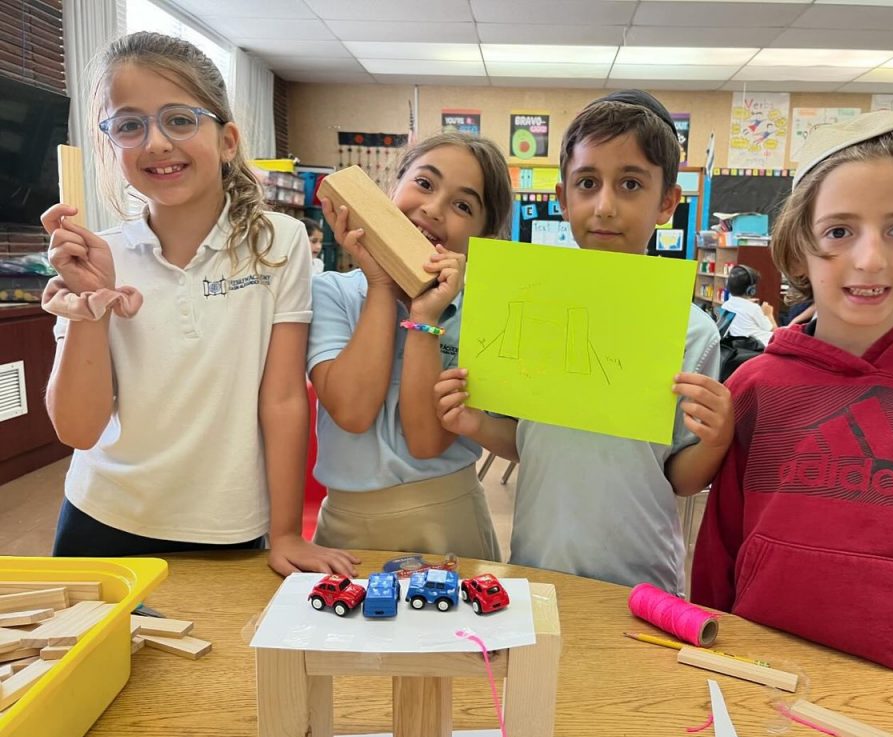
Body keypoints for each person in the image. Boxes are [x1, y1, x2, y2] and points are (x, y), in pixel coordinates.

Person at [691, 111, 893, 721]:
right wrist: (710, 667)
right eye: (840, 231)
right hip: (765, 690)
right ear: (798, 247)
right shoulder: (757, 387)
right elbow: (720, 549)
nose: (870, 259)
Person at [40, 32, 356, 576]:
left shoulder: (278, 242)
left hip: (228, 526)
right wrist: (91, 306)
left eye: (180, 119)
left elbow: (281, 399)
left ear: (228, 139)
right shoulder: (100, 255)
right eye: (129, 125)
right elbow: (78, 430)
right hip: (102, 518)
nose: (156, 142)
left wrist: (284, 532)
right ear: (110, 147)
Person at [435, 91, 733, 594]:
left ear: (666, 203)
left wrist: (718, 439)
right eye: (588, 183)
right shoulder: (534, 309)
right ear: (562, 197)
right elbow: (534, 443)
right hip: (537, 561)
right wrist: (474, 422)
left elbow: (679, 476)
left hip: (643, 578)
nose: (605, 206)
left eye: (631, 184)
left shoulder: (690, 330)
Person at [307, 132, 512, 560]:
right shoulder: (332, 292)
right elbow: (353, 410)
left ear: (482, 240)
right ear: (391, 189)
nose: (433, 209)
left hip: (449, 524)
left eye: (462, 206)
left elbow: (425, 441)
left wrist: (425, 318)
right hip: (345, 529)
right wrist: (382, 282)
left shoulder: (480, 317)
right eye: (424, 183)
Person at [720, 264, 776, 346]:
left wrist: (747, 303)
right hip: (759, 347)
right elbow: (773, 330)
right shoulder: (754, 308)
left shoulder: (725, 305)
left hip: (739, 346)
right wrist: (769, 314)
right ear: (751, 290)